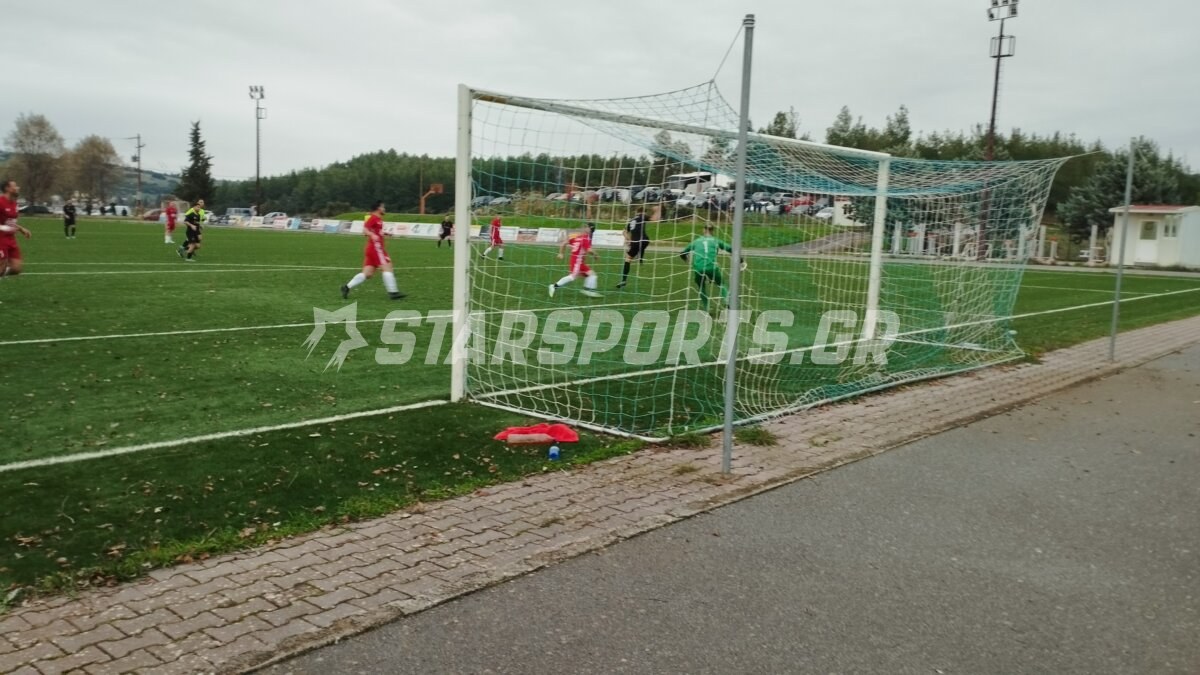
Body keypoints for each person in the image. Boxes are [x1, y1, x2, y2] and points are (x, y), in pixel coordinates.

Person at [340, 200, 405, 300]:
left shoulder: (378, 219)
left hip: (371, 248)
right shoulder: (373, 218)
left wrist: (385, 233)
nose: (384, 209)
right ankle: (393, 292)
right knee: (387, 267)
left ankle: (346, 287)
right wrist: (371, 234)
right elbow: (365, 229)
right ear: (378, 208)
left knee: (368, 274)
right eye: (383, 207)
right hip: (376, 248)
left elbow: (376, 231)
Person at [679, 224, 738, 311]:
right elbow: (730, 249)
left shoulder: (696, 241)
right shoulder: (716, 240)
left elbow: (682, 253)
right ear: (712, 231)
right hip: (712, 267)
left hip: (698, 268)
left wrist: (686, 259)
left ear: (704, 230)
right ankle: (727, 301)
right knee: (721, 284)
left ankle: (706, 307)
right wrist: (740, 259)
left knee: (701, 287)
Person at [549, 223, 601, 298]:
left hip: (579, 261)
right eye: (587, 227)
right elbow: (589, 250)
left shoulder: (577, 237)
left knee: (592, 275)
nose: (585, 228)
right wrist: (596, 255)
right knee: (572, 277)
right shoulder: (585, 238)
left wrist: (561, 253)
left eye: (587, 227)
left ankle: (589, 290)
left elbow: (564, 243)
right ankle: (554, 286)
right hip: (577, 261)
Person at [0, 179, 32, 278]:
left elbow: (10, 222)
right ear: (7, 188)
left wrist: (21, 229)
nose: (18, 188)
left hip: (11, 239)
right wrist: (5, 228)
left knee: (16, 268)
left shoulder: (14, 203)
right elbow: (5, 225)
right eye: (14, 186)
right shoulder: (0, 202)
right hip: (1, 238)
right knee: (2, 266)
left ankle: (2, 273)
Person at [617, 209, 649, 289]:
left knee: (628, 259)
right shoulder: (642, 216)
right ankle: (640, 258)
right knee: (641, 246)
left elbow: (624, 232)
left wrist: (629, 240)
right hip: (645, 240)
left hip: (635, 242)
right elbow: (655, 218)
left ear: (636, 212)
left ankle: (624, 280)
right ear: (643, 212)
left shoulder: (631, 220)